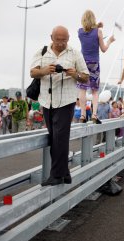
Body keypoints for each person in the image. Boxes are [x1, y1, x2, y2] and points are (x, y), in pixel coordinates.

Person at [30, 25, 89, 186]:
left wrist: (73, 73)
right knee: (54, 138)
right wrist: (44, 71)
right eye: (58, 40)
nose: (61, 43)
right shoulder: (42, 51)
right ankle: (65, 174)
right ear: (51, 37)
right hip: (46, 100)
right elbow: (32, 72)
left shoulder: (75, 53)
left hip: (66, 101)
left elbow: (86, 77)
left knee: (60, 137)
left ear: (68, 38)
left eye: (64, 40)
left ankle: (56, 175)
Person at [77, 10, 115, 124]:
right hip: (94, 64)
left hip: (82, 63)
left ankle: (83, 115)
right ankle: (94, 114)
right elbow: (103, 49)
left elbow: (88, 32)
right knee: (94, 91)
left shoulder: (79, 32)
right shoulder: (98, 32)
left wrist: (97, 26)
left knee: (82, 89)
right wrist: (109, 41)